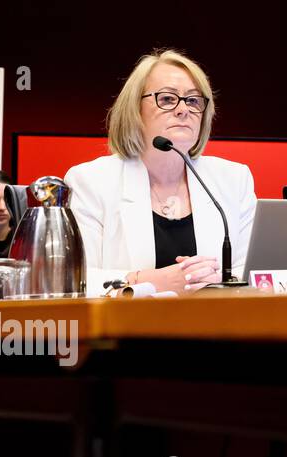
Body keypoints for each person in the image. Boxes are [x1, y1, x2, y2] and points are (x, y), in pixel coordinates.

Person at [65, 49, 256, 296]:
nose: (183, 110)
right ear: (134, 110)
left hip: (218, 327)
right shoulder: (90, 181)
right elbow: (75, 280)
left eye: (193, 100)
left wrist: (220, 279)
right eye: (167, 99)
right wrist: (147, 282)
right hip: (126, 329)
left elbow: (254, 271)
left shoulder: (233, 179)